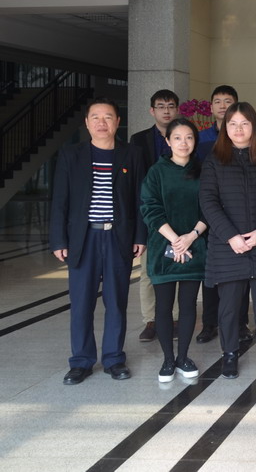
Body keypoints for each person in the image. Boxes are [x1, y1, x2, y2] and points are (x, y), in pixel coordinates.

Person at [51, 98, 146, 385]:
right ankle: (81, 361)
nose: (101, 122)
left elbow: (141, 198)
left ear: (118, 122)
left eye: (108, 117)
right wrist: (59, 239)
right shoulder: (71, 155)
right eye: (95, 117)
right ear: (87, 122)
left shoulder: (132, 154)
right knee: (81, 303)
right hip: (83, 238)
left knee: (116, 301)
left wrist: (139, 236)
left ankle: (114, 358)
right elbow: (60, 200)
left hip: (118, 237)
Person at [199, 102, 256, 385]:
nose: (238, 129)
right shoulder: (214, 160)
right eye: (232, 123)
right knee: (229, 307)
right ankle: (230, 353)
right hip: (227, 246)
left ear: (254, 126)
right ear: (225, 127)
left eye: (244, 123)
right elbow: (208, 202)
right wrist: (231, 236)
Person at [139, 118, 208, 382]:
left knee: (188, 305)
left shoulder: (203, 170)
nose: (183, 143)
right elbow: (150, 208)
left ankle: (183, 357)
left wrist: (190, 237)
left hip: (194, 246)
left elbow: (209, 208)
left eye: (189, 137)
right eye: (177, 138)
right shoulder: (156, 172)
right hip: (163, 248)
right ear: (167, 141)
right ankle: (168, 359)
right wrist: (175, 240)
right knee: (164, 307)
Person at [130, 88, 180, 344]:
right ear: (152, 111)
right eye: (161, 106)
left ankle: (175, 318)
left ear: (177, 109)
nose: (166, 111)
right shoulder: (138, 140)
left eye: (170, 106)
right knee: (149, 269)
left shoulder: (184, 135)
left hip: (178, 213)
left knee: (178, 266)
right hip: (150, 214)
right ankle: (151, 320)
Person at [194, 84, 242, 345]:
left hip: (239, 215)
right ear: (211, 107)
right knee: (211, 273)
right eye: (218, 102)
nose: (223, 106)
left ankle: (240, 324)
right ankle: (210, 323)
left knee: (240, 274)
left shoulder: (245, 136)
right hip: (210, 215)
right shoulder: (200, 139)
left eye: (228, 101)